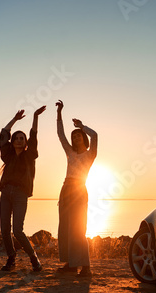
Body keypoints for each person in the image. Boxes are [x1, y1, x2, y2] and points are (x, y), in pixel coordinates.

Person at [0, 106, 45, 272]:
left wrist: (35, 117)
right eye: (16, 138)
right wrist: (15, 119)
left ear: (25, 143)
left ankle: (33, 258)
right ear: (13, 141)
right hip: (5, 193)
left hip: (20, 194)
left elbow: (33, 136)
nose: (19, 140)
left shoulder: (29, 156)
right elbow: (4, 134)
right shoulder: (8, 155)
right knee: (4, 229)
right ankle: (11, 258)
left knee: (17, 230)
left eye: (21, 138)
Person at [56, 99, 97, 276]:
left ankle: (86, 267)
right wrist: (59, 113)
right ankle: (71, 264)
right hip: (66, 189)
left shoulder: (90, 155)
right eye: (74, 136)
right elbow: (60, 134)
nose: (75, 138)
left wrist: (82, 126)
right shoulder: (69, 152)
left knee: (79, 228)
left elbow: (95, 135)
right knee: (65, 228)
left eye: (78, 135)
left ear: (83, 138)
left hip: (80, 190)